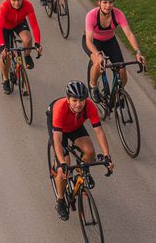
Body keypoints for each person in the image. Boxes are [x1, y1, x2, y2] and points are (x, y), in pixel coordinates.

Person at [48, 80, 114, 221]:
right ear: (68, 99)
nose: (78, 104)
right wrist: (62, 163)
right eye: (75, 100)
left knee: (90, 152)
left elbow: (99, 131)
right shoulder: (60, 108)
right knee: (62, 168)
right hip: (59, 131)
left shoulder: (89, 106)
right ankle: (60, 201)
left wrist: (107, 156)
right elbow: (57, 139)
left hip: (75, 126)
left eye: (82, 100)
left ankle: (81, 172)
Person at [83, 0, 146, 102]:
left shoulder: (118, 14)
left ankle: (118, 92)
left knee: (122, 69)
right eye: (105, 2)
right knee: (98, 63)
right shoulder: (91, 15)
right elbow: (88, 41)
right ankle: (93, 86)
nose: (108, 6)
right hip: (93, 42)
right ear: (98, 2)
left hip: (110, 41)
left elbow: (129, 34)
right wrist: (98, 54)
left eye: (110, 2)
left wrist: (138, 52)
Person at [0, 0, 42, 94]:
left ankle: (26, 56)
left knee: (27, 39)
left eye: (19, 0)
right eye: (14, 0)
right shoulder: (4, 6)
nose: (17, 3)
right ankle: (5, 80)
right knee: (5, 56)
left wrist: (37, 43)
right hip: (5, 27)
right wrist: (2, 46)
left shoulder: (28, 5)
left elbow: (34, 25)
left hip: (19, 23)